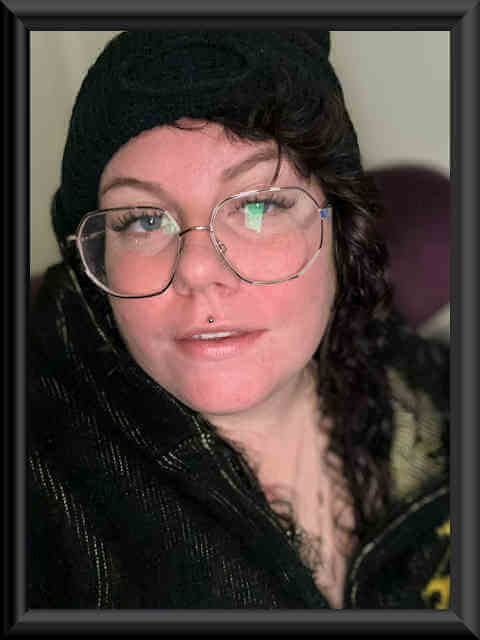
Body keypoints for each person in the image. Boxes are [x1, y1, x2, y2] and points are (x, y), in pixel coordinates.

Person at [28, 31, 449, 609]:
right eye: (143, 220)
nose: (197, 270)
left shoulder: (436, 397)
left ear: (339, 231)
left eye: (257, 205)